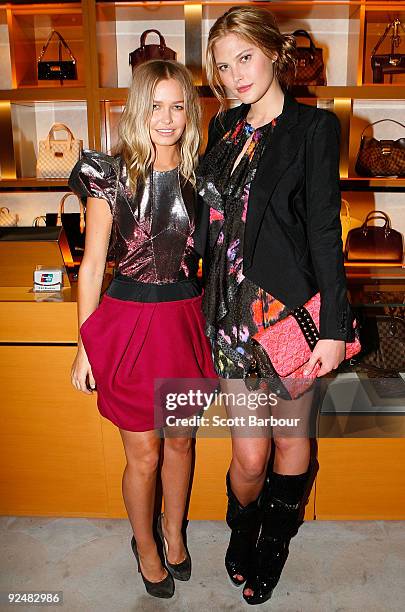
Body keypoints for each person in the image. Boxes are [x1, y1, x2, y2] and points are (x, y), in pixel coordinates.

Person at [197, 6, 355, 605]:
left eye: (245, 58)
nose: (236, 75)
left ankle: (274, 541)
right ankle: (243, 524)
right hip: (232, 314)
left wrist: (333, 327)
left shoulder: (313, 129)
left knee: (291, 441)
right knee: (248, 451)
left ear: (271, 52)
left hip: (289, 314)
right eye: (223, 66)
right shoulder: (222, 129)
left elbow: (322, 231)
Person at [68, 59, 216, 599]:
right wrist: (85, 346)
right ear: (138, 109)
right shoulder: (111, 177)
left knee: (179, 444)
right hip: (127, 329)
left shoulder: (206, 180)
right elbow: (91, 267)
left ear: (190, 113)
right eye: (156, 105)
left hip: (182, 325)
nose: (167, 117)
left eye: (178, 105)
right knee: (145, 454)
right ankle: (146, 546)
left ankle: (174, 534)